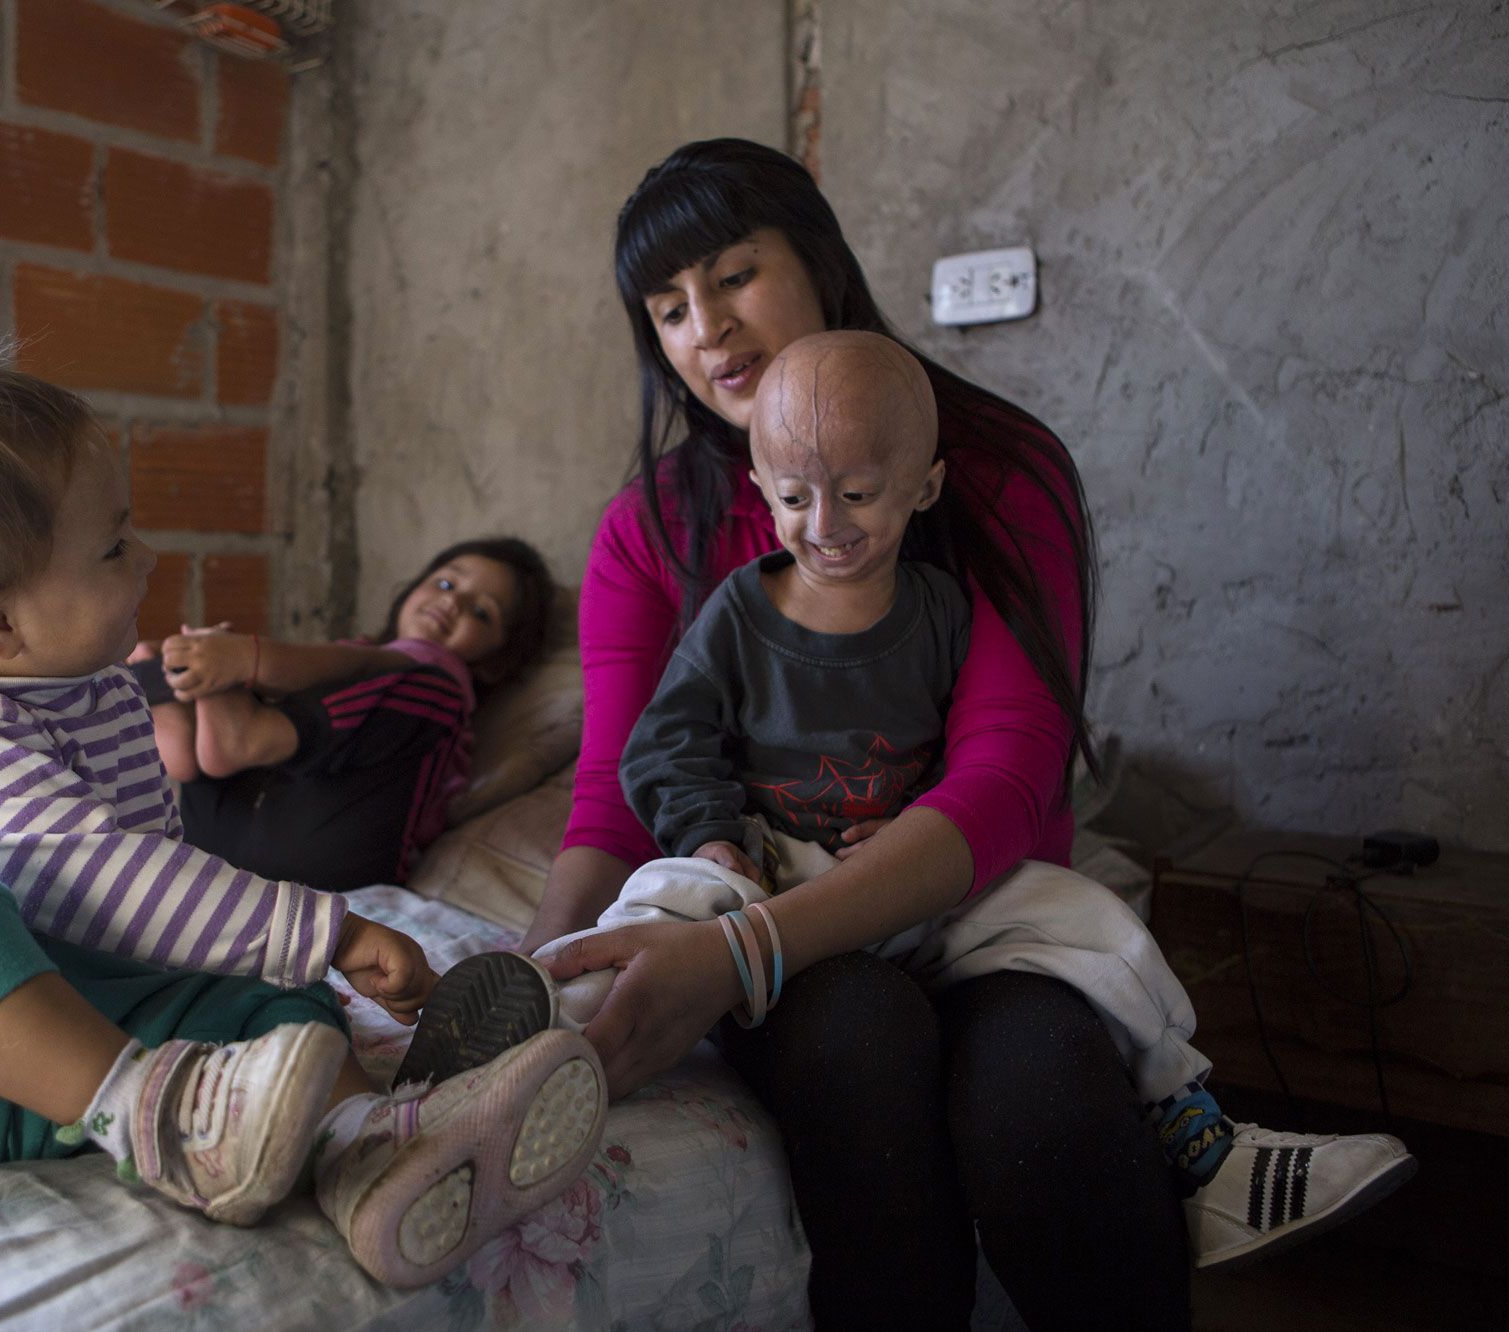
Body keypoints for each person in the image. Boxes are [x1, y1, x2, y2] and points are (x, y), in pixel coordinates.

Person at [507, 137, 1374, 1326]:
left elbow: (1005, 781)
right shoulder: (649, 530)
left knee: (1041, 1100)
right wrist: (528, 991)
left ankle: (1207, 1157)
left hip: (974, 906)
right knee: (854, 1039)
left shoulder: (999, 471)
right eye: (667, 308)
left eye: (732, 274)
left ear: (816, 261)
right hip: (785, 922)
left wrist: (736, 956)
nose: (704, 326)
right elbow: (615, 785)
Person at [0, 341, 606, 1291]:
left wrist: (269, 975)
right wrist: (325, 931)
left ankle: (372, 1156)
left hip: (22, 1073)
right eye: (113, 545)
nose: (150, 554)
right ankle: (163, 1116)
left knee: (275, 1003)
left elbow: (139, 889)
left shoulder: (90, 690)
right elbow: (124, 878)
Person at [128, 537, 554, 889]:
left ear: (496, 660)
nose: (453, 603)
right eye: (445, 584)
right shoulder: (359, 655)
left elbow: (355, 666)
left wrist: (243, 659)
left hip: (339, 851)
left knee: (426, 687)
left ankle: (211, 711)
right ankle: (199, 722)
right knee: (253, 683)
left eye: (481, 612)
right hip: (232, 834)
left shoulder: (443, 677)